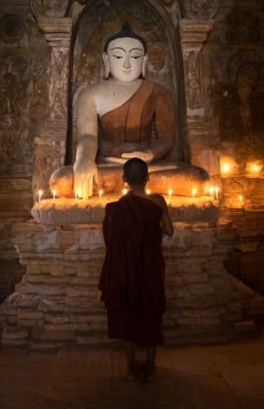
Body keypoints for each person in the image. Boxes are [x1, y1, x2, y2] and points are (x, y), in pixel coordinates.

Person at [48, 22, 209, 198]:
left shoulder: (159, 92)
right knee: (61, 181)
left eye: (135, 57)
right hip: (107, 166)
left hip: (147, 166)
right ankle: (131, 186)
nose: (126, 64)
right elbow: (88, 137)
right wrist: (84, 160)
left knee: (197, 179)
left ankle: (123, 186)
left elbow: (166, 138)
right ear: (106, 60)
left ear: (144, 61)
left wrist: (148, 154)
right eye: (117, 56)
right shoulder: (90, 94)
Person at [98, 157, 174, 381]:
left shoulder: (118, 208)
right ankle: (150, 363)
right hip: (151, 263)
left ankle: (131, 365)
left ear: (123, 179)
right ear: (148, 177)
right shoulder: (158, 201)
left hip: (126, 267)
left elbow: (111, 242)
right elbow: (169, 230)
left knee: (129, 309)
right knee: (151, 308)